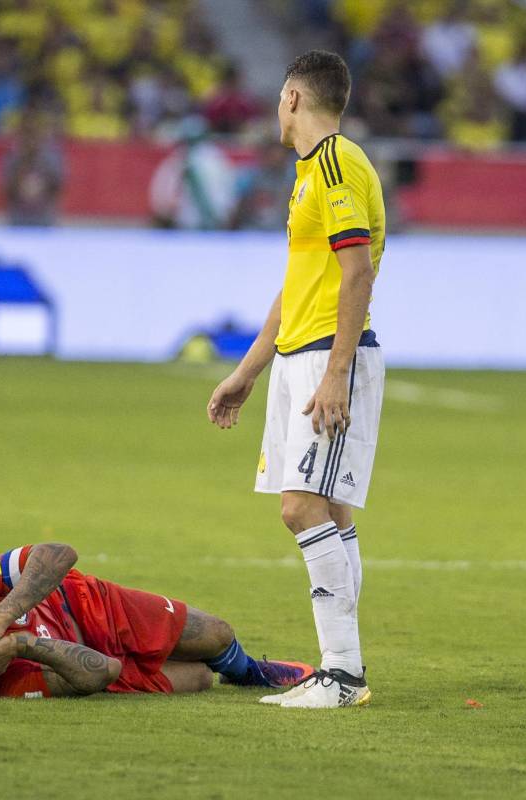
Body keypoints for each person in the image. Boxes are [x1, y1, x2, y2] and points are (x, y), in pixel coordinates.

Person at [206, 50, 385, 709]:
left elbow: (356, 271)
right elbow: (296, 285)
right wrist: (247, 372)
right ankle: (339, 671)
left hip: (327, 358)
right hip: (297, 355)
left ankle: (343, 674)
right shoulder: (310, 172)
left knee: (299, 507)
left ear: (291, 99)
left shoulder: (336, 162)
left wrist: (335, 374)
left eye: (276, 105)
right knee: (328, 511)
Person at [0, 542, 313, 699]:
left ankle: (248, 671)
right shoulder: (5, 686)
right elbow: (104, 670)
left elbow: (57, 552)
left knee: (216, 634)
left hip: (84, 603)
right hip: (79, 655)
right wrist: (18, 645)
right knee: (199, 679)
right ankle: (227, 672)